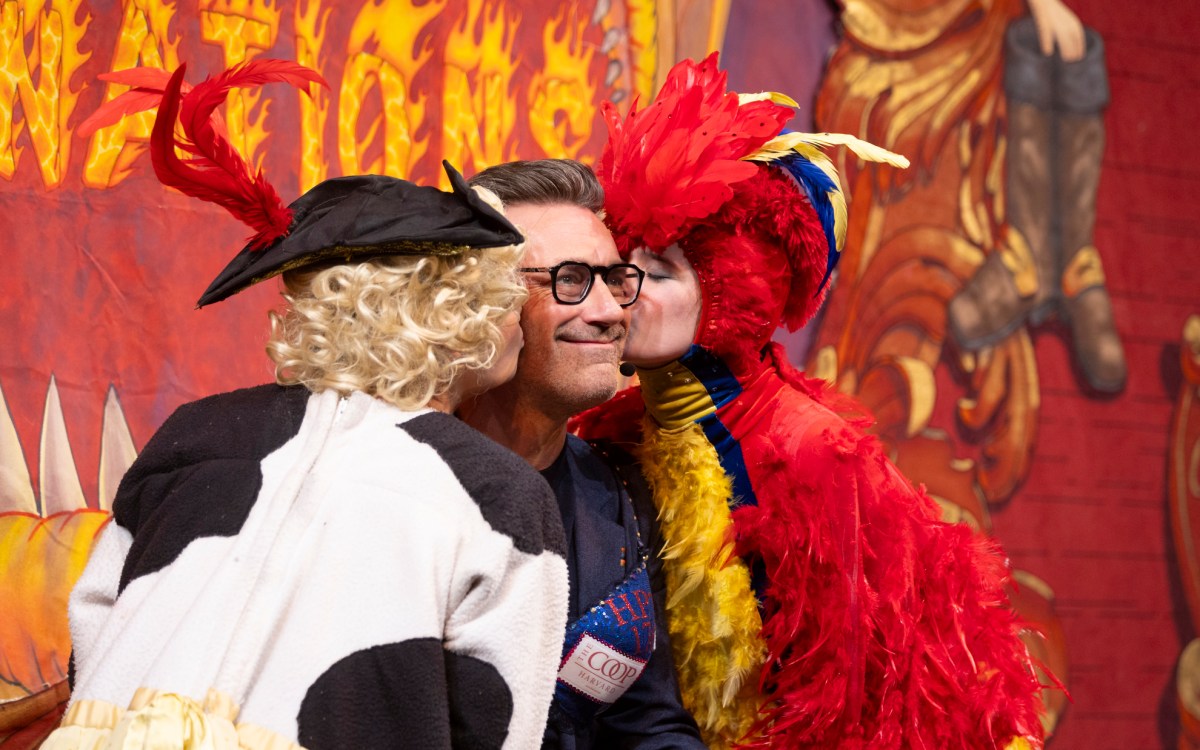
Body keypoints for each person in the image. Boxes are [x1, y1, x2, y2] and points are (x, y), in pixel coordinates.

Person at [45, 61, 568, 750]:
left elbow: (95, 625)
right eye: (504, 302)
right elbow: (499, 721)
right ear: (456, 317)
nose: (518, 323)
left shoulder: (199, 428)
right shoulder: (499, 494)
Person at [575, 54, 1048, 749]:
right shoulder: (613, 430)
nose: (624, 288)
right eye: (625, 259)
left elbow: (840, 707)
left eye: (662, 270)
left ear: (731, 291)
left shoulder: (809, 451)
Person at [458, 159, 706, 750]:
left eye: (615, 279)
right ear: (480, 303)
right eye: (569, 279)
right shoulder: (399, 482)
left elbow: (648, 724)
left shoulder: (615, 495)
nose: (610, 311)